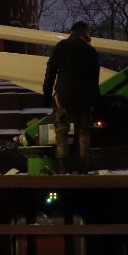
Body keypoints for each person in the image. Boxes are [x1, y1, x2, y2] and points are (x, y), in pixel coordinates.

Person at [42, 21, 100, 174]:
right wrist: (96, 100)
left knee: (61, 130)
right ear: (85, 33)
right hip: (85, 98)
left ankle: (63, 167)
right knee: (83, 133)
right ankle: (83, 168)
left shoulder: (61, 47)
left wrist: (46, 93)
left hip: (64, 96)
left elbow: (51, 71)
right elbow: (95, 79)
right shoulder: (91, 52)